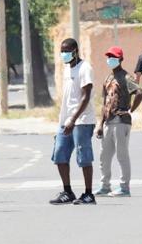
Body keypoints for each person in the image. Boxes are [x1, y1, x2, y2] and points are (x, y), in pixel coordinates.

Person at [50, 38, 97, 205]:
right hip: (66, 120)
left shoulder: (85, 68)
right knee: (59, 154)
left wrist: (74, 119)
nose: (64, 54)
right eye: (62, 51)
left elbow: (85, 97)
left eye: (67, 51)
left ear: (76, 50)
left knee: (83, 157)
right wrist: (64, 121)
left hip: (82, 120)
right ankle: (67, 191)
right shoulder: (66, 70)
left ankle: (88, 194)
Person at [95, 46, 142, 198]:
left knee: (122, 155)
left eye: (114, 57)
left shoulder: (126, 77)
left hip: (121, 120)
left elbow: (140, 93)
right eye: (109, 56)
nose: (110, 59)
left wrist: (131, 110)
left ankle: (124, 187)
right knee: (104, 156)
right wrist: (100, 124)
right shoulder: (108, 79)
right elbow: (105, 103)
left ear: (121, 59)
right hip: (108, 121)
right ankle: (105, 186)